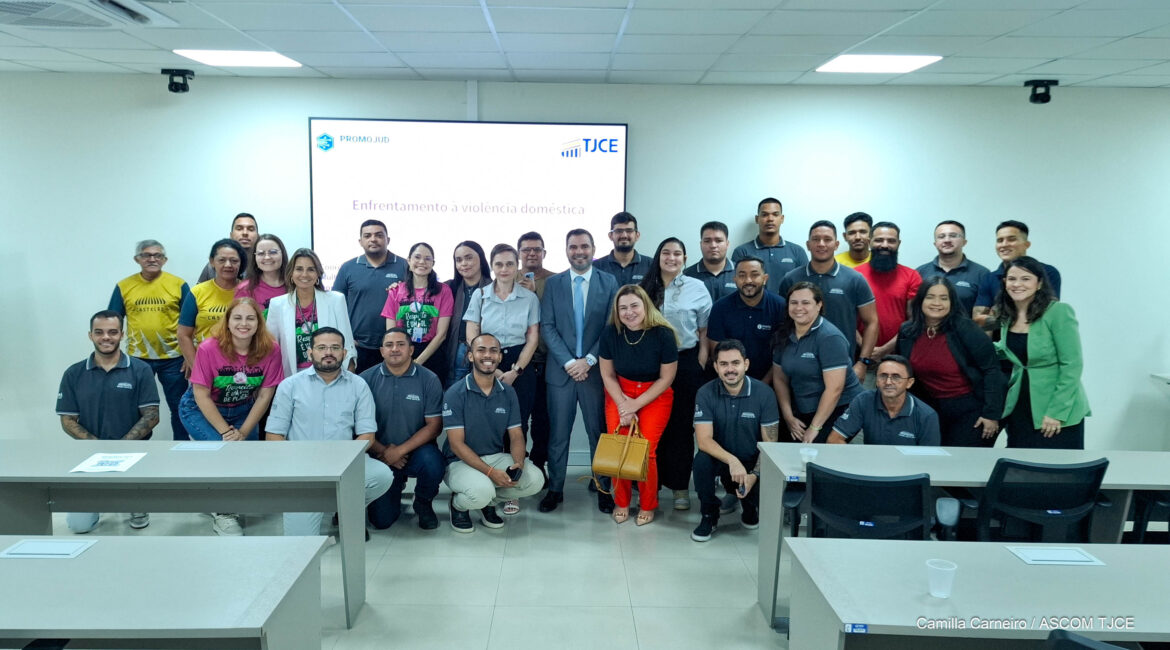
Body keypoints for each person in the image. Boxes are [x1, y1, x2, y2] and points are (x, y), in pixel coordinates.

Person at [267, 327, 393, 537]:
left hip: (344, 461)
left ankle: (344, 508)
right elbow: (273, 435)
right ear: (310, 353)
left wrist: (342, 460)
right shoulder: (290, 386)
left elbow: (367, 435)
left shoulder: (358, 385)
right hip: (302, 467)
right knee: (300, 543)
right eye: (322, 347)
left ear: (344, 353)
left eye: (335, 348)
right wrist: (294, 465)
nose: (329, 353)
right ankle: (329, 502)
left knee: (381, 476)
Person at [178, 297, 283, 536]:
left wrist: (243, 432)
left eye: (250, 318)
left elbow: (266, 395)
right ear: (227, 321)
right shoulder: (208, 348)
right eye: (237, 317)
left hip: (242, 409)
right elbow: (201, 395)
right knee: (224, 452)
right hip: (201, 408)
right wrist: (226, 433)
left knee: (247, 458)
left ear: (259, 323)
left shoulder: (271, 349)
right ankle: (223, 513)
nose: (243, 323)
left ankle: (215, 498)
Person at [56, 310, 160, 533]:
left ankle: (135, 501)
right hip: (89, 456)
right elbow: (67, 420)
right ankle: (99, 500)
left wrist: (119, 448)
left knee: (138, 525)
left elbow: (152, 415)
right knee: (78, 526)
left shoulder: (141, 369)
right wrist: (98, 448)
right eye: (99, 332)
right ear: (90, 335)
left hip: (133, 455)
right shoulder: (73, 373)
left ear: (121, 334)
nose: (106, 337)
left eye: (113, 332)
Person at [538, 229, 619, 513]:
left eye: (584, 246)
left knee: (599, 432)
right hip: (561, 373)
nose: (579, 251)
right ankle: (556, 488)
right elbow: (547, 326)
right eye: (573, 247)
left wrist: (589, 360)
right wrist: (570, 362)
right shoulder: (554, 283)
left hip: (596, 373)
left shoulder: (609, 282)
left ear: (594, 249)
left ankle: (602, 488)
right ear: (566, 250)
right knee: (558, 434)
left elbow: (612, 326)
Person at [463, 243, 540, 514]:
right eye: (499, 264)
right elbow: (471, 333)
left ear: (517, 266)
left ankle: (512, 487)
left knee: (518, 427)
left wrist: (515, 371)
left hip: (520, 363)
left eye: (510, 264)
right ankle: (486, 479)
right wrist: (493, 368)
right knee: (488, 423)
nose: (504, 269)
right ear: (492, 267)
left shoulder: (529, 298)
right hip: (486, 359)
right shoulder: (481, 295)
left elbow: (533, 338)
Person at [441, 333, 544, 533]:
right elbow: (456, 445)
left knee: (534, 479)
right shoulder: (455, 393)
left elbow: (516, 435)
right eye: (481, 350)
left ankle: (487, 503)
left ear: (499, 357)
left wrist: (518, 465)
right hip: (458, 462)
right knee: (481, 491)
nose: (487, 355)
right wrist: (490, 473)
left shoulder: (507, 392)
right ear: (471, 356)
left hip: (494, 457)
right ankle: (459, 506)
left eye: (493, 351)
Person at [640, 237, 711, 511]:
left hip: (686, 362)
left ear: (684, 258)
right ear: (658, 256)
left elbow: (704, 329)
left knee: (681, 427)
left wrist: (701, 358)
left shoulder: (697, 287)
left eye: (677, 254)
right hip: (651, 365)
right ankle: (650, 486)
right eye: (666, 253)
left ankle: (680, 487)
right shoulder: (644, 288)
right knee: (651, 426)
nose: (671, 258)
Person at [599, 285, 678, 526]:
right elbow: (607, 374)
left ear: (645, 306)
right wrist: (624, 405)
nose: (629, 312)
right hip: (619, 392)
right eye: (623, 308)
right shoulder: (611, 333)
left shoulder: (663, 333)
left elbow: (667, 378)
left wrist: (634, 406)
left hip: (655, 394)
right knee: (618, 447)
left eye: (634, 305)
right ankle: (621, 502)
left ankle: (647, 504)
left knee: (646, 450)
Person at [993, 256, 1089, 449]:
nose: (1017, 284)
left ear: (1039, 284)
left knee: (1057, 473)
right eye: (1012, 279)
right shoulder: (1006, 315)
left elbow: (1072, 365)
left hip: (1056, 408)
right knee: (1019, 469)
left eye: (1026, 279)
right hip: (1020, 404)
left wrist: (1056, 412)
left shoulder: (1058, 311)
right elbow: (1008, 352)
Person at [896, 277, 1005, 447]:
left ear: (952, 302)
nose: (937, 303)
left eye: (944, 298)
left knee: (958, 462)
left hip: (971, 409)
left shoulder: (966, 328)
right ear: (921, 300)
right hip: (931, 409)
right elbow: (905, 373)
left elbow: (992, 370)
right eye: (930, 296)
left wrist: (992, 414)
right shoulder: (907, 331)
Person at [690, 340, 780, 542]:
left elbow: (770, 445)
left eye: (735, 363)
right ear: (715, 367)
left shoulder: (764, 394)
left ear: (746, 364)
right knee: (701, 462)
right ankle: (709, 514)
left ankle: (749, 507)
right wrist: (732, 461)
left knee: (760, 490)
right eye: (723, 364)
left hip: (752, 461)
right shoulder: (705, 393)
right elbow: (703, 440)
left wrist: (754, 476)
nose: (730, 369)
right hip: (721, 458)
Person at [360, 328, 445, 530]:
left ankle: (423, 502)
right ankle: (394, 489)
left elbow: (434, 427)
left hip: (416, 452)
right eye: (389, 345)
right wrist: (384, 452)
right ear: (381, 351)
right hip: (378, 453)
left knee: (434, 464)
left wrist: (400, 451)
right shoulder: (364, 379)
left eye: (401, 344)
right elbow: (359, 426)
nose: (395, 349)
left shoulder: (429, 379)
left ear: (411, 349)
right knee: (381, 521)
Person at [109, 239, 190, 440]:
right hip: (137, 360)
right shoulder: (124, 286)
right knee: (137, 410)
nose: (152, 259)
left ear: (165, 259)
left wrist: (191, 356)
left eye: (157, 255)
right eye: (146, 255)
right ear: (137, 259)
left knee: (178, 407)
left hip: (174, 359)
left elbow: (191, 323)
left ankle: (181, 448)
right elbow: (112, 323)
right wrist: (113, 358)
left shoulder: (179, 285)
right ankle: (137, 448)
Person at [779, 220, 878, 376]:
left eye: (827, 239)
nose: (821, 244)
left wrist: (863, 363)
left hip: (843, 365)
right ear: (808, 244)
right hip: (799, 367)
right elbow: (783, 322)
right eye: (816, 239)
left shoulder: (854, 279)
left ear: (836, 244)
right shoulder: (791, 279)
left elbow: (872, 321)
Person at [773, 282, 862, 443]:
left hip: (840, 407)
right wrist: (788, 417)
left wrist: (814, 428)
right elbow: (779, 378)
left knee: (813, 449)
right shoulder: (784, 334)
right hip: (804, 405)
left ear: (819, 305)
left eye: (806, 302)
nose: (799, 307)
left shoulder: (830, 337)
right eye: (794, 303)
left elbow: (834, 389)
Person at [333, 219, 409, 374]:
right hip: (358, 346)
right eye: (367, 236)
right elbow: (335, 306)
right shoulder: (348, 268)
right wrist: (345, 338)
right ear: (360, 241)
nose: (373, 239)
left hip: (394, 348)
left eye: (379, 235)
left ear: (388, 240)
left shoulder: (405, 266)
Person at [268, 248, 357, 378]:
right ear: (291, 274)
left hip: (330, 374)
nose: (305, 274)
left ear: (317, 274)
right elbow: (271, 350)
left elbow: (347, 345)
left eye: (311, 269)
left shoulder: (336, 300)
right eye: (299, 269)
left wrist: (346, 377)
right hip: (293, 378)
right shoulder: (277, 304)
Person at [515, 231, 556, 485]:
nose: (531, 253)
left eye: (536, 249)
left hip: (549, 362)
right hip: (519, 363)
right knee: (517, 422)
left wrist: (535, 295)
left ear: (544, 253)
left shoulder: (556, 281)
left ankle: (540, 467)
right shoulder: (508, 278)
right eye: (526, 249)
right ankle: (518, 466)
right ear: (519, 253)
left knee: (545, 421)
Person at [829, 355, 941, 446]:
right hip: (871, 468)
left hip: (908, 470)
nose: (888, 382)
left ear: (909, 383)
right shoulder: (864, 401)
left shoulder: (926, 416)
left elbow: (929, 460)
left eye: (896, 377)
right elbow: (834, 440)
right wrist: (860, 462)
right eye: (883, 376)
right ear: (876, 381)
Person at [706, 257, 786, 383]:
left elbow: (783, 353)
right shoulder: (720, 308)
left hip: (771, 381)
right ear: (735, 280)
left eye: (754, 275)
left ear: (765, 278)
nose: (748, 280)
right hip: (730, 380)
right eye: (742, 275)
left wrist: (762, 385)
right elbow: (717, 353)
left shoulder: (780, 306)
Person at [381, 242, 453, 379]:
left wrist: (417, 362)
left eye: (427, 259)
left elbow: (441, 334)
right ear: (408, 260)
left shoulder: (444, 291)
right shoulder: (395, 291)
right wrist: (405, 360)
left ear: (433, 263)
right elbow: (391, 333)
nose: (422, 262)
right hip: (402, 353)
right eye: (417, 257)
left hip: (432, 354)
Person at [854, 222, 922, 366]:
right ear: (869, 242)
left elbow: (913, 321)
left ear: (899, 243)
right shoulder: (854, 275)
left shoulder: (912, 276)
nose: (885, 245)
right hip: (858, 356)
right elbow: (847, 317)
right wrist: (866, 349)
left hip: (898, 357)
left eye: (891, 241)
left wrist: (884, 350)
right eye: (879, 240)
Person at [974, 220, 1063, 327]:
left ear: (1027, 244)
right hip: (1001, 342)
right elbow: (979, 321)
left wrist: (999, 312)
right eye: (1000, 240)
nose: (1004, 245)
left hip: (1038, 341)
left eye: (1011, 239)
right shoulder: (989, 278)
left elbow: (1047, 313)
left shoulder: (1047, 272)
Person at [178, 238, 246, 378]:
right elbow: (183, 334)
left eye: (234, 260)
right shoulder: (197, 292)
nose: (228, 265)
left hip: (241, 368)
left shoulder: (249, 291)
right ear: (212, 261)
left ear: (240, 263)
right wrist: (197, 368)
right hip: (205, 365)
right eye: (222, 260)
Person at [731, 197, 807, 293]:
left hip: (788, 307)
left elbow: (806, 287)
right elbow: (736, 285)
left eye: (775, 214)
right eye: (764, 215)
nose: (770, 219)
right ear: (757, 219)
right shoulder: (742, 252)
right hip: (752, 307)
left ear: (782, 219)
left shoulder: (797, 252)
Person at [915, 220, 990, 316]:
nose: (947, 240)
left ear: (964, 242)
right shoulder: (920, 272)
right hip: (927, 331)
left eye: (953, 236)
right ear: (935, 243)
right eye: (941, 237)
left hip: (966, 330)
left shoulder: (982, 274)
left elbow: (983, 316)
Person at [444, 240, 492, 385]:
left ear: (481, 259)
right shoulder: (448, 288)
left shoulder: (494, 288)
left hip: (485, 351)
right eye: (458, 260)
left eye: (469, 257)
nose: (463, 263)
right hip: (454, 350)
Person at [593, 211, 652, 285]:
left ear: (637, 235)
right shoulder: (596, 267)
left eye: (629, 231)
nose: (624, 235)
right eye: (618, 231)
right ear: (610, 236)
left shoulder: (650, 265)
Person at [684, 220, 737, 302]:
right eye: (707, 241)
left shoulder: (740, 272)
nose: (713, 245)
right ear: (701, 244)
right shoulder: (687, 275)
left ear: (727, 244)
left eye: (718, 241)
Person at [235, 233, 288, 313]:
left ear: (282, 254)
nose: (267, 257)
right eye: (261, 253)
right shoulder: (245, 289)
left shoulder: (295, 285)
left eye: (273, 252)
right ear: (255, 258)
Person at [197, 213, 257, 283]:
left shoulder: (264, 264)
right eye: (239, 228)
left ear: (258, 236)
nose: (245, 233)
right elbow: (200, 291)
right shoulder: (214, 265)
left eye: (251, 229)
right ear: (231, 235)